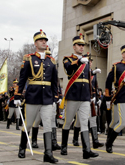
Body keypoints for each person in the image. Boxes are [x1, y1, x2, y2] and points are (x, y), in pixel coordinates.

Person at [14, 29, 58, 163]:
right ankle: (22, 147)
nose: (44, 42)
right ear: (35, 43)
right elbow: (22, 79)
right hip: (33, 96)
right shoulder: (29, 59)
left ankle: (48, 153)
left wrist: (56, 97)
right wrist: (17, 95)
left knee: (48, 125)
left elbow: (54, 81)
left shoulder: (51, 61)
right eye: (41, 40)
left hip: (47, 98)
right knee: (27, 124)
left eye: (45, 40)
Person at [60, 34, 99, 159]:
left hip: (85, 97)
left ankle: (86, 150)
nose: (82, 47)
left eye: (83, 45)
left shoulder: (86, 61)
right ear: (74, 46)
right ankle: (64, 146)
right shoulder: (68, 59)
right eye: (79, 45)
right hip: (73, 95)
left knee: (84, 122)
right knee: (68, 122)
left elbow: (87, 78)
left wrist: (92, 94)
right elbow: (68, 70)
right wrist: (78, 61)